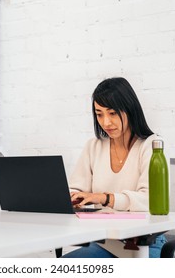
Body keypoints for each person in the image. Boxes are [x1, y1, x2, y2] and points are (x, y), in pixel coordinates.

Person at [63, 77, 167, 258]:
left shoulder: (151, 146)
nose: (106, 122)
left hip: (144, 242)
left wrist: (105, 198)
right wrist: (74, 198)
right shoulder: (93, 146)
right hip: (105, 242)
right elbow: (76, 188)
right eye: (99, 114)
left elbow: (150, 200)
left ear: (130, 109)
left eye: (112, 113)